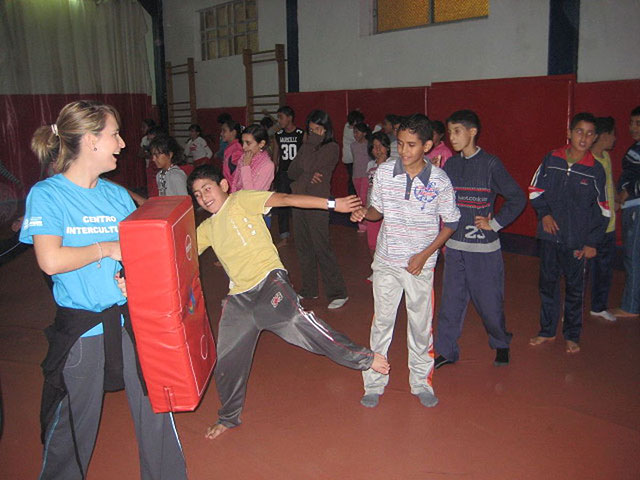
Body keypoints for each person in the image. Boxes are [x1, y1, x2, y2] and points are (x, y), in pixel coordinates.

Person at [20, 100, 186, 479]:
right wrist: (107, 249)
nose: (122, 143)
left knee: (157, 406)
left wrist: (132, 275)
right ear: (92, 141)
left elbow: (137, 254)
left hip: (131, 321)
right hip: (84, 330)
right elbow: (50, 259)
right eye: (114, 135)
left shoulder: (116, 195)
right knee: (74, 425)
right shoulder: (48, 195)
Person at [184, 165, 390, 440]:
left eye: (206, 189)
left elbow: (287, 199)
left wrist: (333, 204)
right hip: (239, 299)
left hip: (270, 282)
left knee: (296, 320)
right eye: (197, 195)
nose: (203, 197)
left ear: (223, 185)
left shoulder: (241, 200)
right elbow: (181, 254)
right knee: (227, 360)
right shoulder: (207, 228)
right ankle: (228, 417)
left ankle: (363, 358)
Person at [351, 114, 460, 408]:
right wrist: (364, 212)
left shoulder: (439, 180)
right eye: (400, 143)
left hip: (419, 267)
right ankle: (374, 382)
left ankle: (420, 382)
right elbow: (378, 210)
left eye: (412, 145)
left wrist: (425, 255)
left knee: (420, 326)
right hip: (386, 261)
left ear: (427, 145)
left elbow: (451, 223)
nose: (405, 150)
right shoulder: (384, 173)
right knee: (381, 324)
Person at [433, 110, 526, 369]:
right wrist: (433, 176)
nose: (452, 137)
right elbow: (440, 198)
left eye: (457, 131)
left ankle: (501, 343)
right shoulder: (450, 165)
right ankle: (446, 351)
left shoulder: (491, 164)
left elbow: (517, 198)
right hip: (454, 247)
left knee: (489, 305)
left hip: (483, 251)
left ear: (472, 132)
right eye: (449, 132)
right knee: (450, 303)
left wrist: (494, 224)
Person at [529, 112, 609, 354]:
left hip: (577, 241)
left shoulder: (595, 170)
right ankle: (547, 330)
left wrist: (592, 242)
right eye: (579, 131)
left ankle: (572, 335)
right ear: (569, 133)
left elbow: (603, 210)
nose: (583, 137)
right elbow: (534, 190)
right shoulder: (551, 159)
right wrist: (545, 214)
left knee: (575, 289)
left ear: (595, 137)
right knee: (548, 285)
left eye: (589, 133)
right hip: (550, 237)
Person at [288, 109, 350, 309]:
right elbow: (292, 171)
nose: (314, 133)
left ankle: (338, 292)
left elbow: (306, 169)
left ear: (326, 130)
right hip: (299, 201)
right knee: (303, 247)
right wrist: (306, 175)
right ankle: (309, 289)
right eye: (311, 129)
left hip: (318, 203)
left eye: (318, 129)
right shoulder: (307, 146)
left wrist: (304, 176)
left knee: (321, 247)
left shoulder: (332, 147)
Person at [587, 117, 618, 322]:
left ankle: (598, 306)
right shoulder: (588, 161)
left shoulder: (606, 157)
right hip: (591, 227)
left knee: (604, 268)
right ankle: (572, 310)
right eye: (613, 134)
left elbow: (610, 182)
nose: (615, 139)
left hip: (609, 224)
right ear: (604, 136)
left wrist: (615, 200)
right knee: (581, 270)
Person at [611, 106, 640, 319]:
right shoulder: (636, 148)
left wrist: (624, 194)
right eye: (631, 123)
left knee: (633, 257)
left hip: (636, 208)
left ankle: (630, 306)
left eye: (638, 123)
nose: (632, 128)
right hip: (632, 206)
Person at [273, 106, 305, 246]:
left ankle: (302, 234)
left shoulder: (301, 134)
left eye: (281, 117)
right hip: (283, 174)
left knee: (299, 204)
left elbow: (307, 155)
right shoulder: (278, 135)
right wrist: (274, 176)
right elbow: (275, 157)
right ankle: (284, 235)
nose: (279, 120)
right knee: (281, 205)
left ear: (290, 117)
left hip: (298, 175)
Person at [364, 131, 391, 256]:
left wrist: (382, 163)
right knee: (372, 242)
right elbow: (368, 187)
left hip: (388, 210)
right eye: (374, 146)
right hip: (372, 207)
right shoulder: (370, 165)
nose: (378, 149)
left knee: (388, 243)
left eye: (381, 145)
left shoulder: (394, 164)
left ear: (387, 147)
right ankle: (375, 271)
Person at [350, 122, 372, 233]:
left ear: (364, 133)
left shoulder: (368, 144)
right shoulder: (353, 145)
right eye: (354, 132)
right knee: (359, 199)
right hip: (356, 175)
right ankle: (362, 223)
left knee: (364, 199)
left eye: (357, 132)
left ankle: (365, 224)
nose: (355, 134)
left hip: (366, 175)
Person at [342, 110, 364, 196]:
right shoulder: (351, 133)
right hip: (351, 159)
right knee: (353, 180)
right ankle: (352, 197)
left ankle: (352, 196)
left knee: (352, 179)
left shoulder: (346, 126)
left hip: (348, 159)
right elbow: (363, 137)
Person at [221, 119, 243, 185]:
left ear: (233, 132)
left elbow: (239, 174)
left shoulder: (237, 149)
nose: (221, 133)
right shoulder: (230, 148)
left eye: (224, 131)